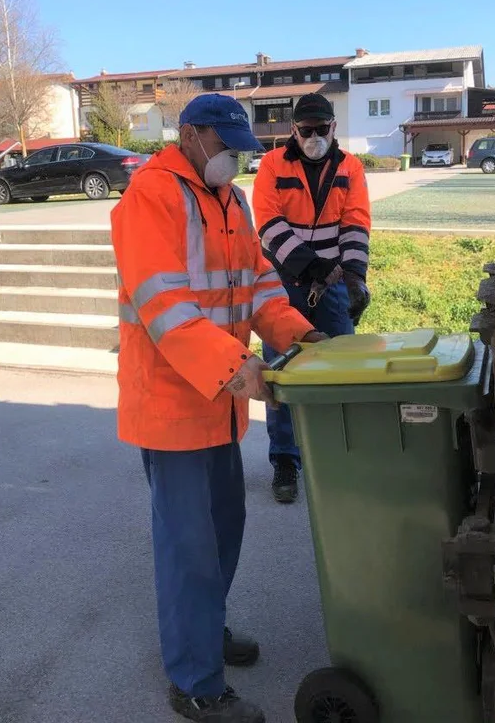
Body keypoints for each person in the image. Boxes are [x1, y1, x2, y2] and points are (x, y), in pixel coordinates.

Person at [111, 93, 324, 723]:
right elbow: (166, 307)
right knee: (190, 549)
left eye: (239, 147)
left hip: (218, 406)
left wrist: (299, 335)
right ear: (190, 135)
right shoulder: (151, 196)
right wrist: (239, 368)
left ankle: (207, 629)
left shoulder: (227, 202)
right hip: (174, 403)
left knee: (225, 532)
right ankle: (195, 680)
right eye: (225, 144)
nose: (234, 157)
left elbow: (258, 284)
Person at [252, 93, 371, 503]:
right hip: (284, 283)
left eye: (323, 129)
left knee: (344, 367)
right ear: (293, 130)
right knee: (283, 373)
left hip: (334, 284)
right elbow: (268, 224)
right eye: (307, 130)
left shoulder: (350, 167)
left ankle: (343, 452)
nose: (315, 136)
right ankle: (285, 459)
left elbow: (355, 223)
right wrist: (312, 267)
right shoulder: (271, 165)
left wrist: (355, 277)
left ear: (334, 127)